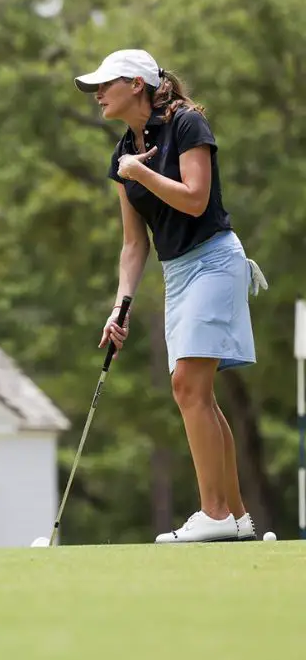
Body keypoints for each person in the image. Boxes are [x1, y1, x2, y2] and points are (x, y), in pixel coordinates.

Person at [74, 48, 268, 544]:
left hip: (215, 260)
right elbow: (134, 243)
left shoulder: (186, 124)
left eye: (106, 84)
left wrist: (139, 174)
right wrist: (121, 306)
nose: (98, 94)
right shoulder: (122, 154)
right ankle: (238, 518)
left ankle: (215, 514)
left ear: (136, 84)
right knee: (197, 392)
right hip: (178, 273)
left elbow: (195, 198)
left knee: (187, 386)